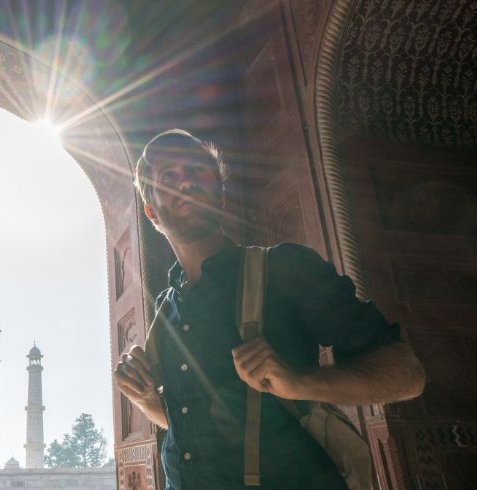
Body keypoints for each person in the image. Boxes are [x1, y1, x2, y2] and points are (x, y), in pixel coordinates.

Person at [113, 129, 425, 489]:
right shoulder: (167, 310)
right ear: (151, 212)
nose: (186, 182)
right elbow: (186, 421)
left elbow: (407, 374)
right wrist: (147, 398)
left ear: (221, 192)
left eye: (198, 171)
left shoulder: (285, 269)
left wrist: (297, 382)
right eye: (168, 176)